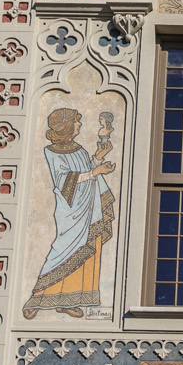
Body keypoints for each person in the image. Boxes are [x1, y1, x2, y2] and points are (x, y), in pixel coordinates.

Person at [22, 108, 116, 319]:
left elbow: (87, 169)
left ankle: (68, 300)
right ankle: (37, 297)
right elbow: (64, 181)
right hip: (71, 211)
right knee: (62, 250)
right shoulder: (52, 152)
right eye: (76, 122)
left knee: (88, 251)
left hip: (89, 208)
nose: (80, 125)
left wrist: (98, 159)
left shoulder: (80, 149)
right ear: (66, 127)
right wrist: (95, 172)